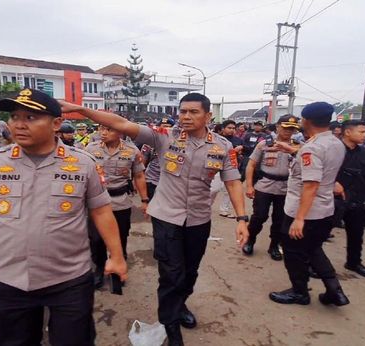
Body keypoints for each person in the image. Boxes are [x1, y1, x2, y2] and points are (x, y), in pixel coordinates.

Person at [0, 88, 128, 345]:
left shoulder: (82, 163)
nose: (19, 124)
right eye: (15, 116)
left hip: (69, 280)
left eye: (30, 118)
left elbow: (101, 210)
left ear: (56, 123)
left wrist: (116, 257)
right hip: (9, 280)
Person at [58, 93, 249, 346]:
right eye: (183, 112)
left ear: (208, 116)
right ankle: (171, 329)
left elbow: (233, 182)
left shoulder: (222, 146)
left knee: (189, 272)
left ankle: (179, 306)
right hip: (167, 217)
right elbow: (121, 124)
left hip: (199, 219)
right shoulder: (163, 136)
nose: (186, 117)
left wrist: (242, 218)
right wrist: (80, 109)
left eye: (193, 112)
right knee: (171, 274)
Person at [269, 102, 349, 307]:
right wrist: (291, 149)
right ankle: (335, 290)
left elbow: (311, 185)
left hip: (304, 212)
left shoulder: (312, 148)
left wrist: (299, 219)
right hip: (325, 209)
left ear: (306, 120)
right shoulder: (335, 142)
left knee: (294, 252)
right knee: (313, 249)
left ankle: (299, 292)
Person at [85, 125, 148, 288]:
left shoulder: (132, 151)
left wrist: (144, 200)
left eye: (109, 129)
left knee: (120, 237)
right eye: (101, 129)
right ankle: (99, 268)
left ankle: (117, 268)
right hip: (96, 203)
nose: (103, 133)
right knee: (96, 239)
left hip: (120, 201)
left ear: (120, 132)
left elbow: (139, 176)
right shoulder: (90, 149)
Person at [243, 115, 300, 261]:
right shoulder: (264, 144)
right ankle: (250, 240)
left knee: (280, 220)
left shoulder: (298, 146)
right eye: (286, 127)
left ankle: (274, 245)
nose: (288, 131)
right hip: (265, 186)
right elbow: (251, 165)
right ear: (278, 127)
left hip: (287, 188)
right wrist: (249, 186)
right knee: (259, 216)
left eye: (292, 128)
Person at [333, 120, 365, 278]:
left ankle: (353, 262)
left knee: (356, 234)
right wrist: (332, 183)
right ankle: (311, 262)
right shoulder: (332, 149)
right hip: (333, 199)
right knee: (320, 234)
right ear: (347, 132)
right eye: (361, 132)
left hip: (357, 199)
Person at [141, 117, 175, 200]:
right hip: (152, 181)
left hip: (169, 183)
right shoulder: (149, 144)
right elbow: (142, 165)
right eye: (163, 126)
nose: (166, 128)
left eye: (168, 126)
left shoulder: (178, 145)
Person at [218, 120, 244, 218]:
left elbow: (243, 153)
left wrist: (240, 150)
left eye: (233, 128)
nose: (232, 130)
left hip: (231, 166)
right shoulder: (217, 139)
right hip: (216, 165)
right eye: (229, 128)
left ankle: (224, 209)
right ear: (223, 128)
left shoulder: (238, 140)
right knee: (213, 190)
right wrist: (233, 150)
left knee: (228, 190)